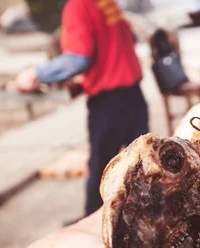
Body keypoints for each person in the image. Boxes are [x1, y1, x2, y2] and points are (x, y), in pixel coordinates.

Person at [15, 0, 149, 216]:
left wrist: (34, 75)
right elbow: (125, 39)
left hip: (108, 105)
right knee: (145, 166)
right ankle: (153, 224)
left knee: (101, 168)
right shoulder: (106, 2)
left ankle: (94, 229)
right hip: (133, 95)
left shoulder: (78, 5)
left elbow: (77, 60)